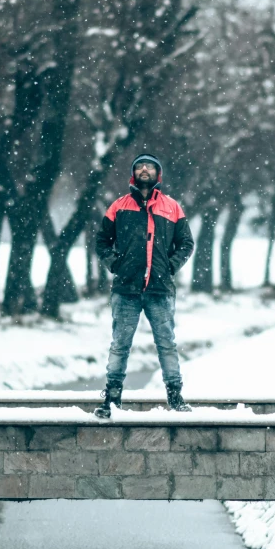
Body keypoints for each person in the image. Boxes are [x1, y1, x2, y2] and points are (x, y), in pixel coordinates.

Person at [94, 153, 195, 418]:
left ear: (158, 173)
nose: (145, 170)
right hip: (126, 289)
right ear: (133, 173)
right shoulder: (119, 205)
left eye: (150, 166)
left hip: (160, 289)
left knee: (167, 344)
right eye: (140, 166)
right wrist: (116, 265)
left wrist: (170, 267)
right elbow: (102, 241)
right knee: (120, 344)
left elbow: (186, 243)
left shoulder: (173, 207)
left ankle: (175, 397)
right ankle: (112, 399)